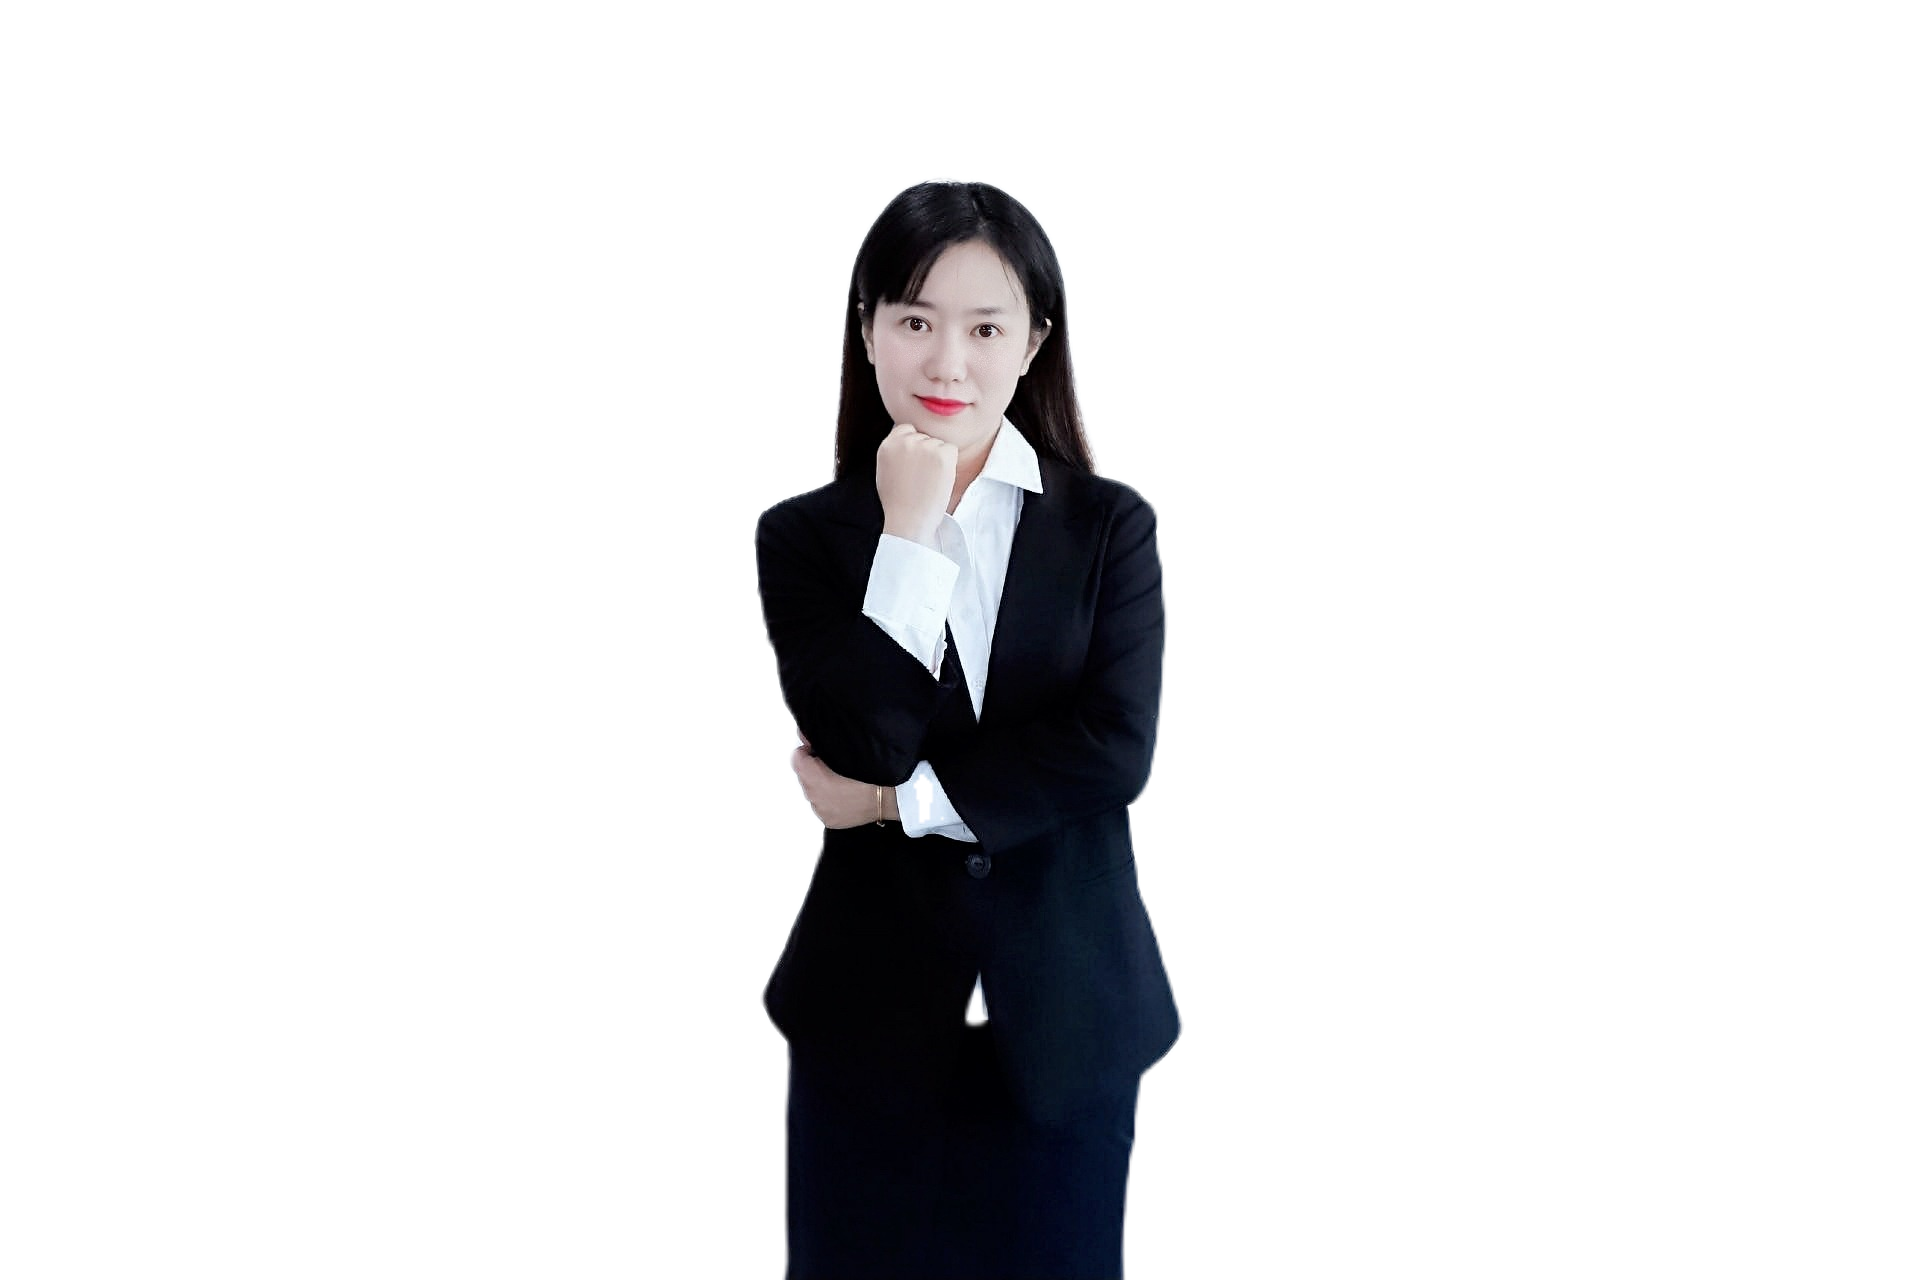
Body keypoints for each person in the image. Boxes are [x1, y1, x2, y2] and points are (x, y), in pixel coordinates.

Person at [752, 175, 1182, 1279]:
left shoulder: (1110, 526)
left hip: (1068, 1022)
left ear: (1034, 343)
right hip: (866, 1029)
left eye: (985, 328)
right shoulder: (802, 537)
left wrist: (896, 806)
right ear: (868, 331)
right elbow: (866, 736)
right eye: (915, 321)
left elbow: (1115, 751)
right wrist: (907, 535)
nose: (947, 361)